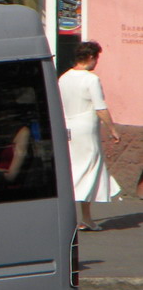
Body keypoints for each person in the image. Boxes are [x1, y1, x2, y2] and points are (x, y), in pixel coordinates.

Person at [58, 41, 121, 230]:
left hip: (68, 126)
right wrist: (112, 129)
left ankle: (86, 217)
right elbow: (100, 107)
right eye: (97, 58)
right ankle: (75, 213)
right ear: (91, 57)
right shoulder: (90, 79)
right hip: (86, 129)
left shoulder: (64, 77)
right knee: (87, 169)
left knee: (78, 168)